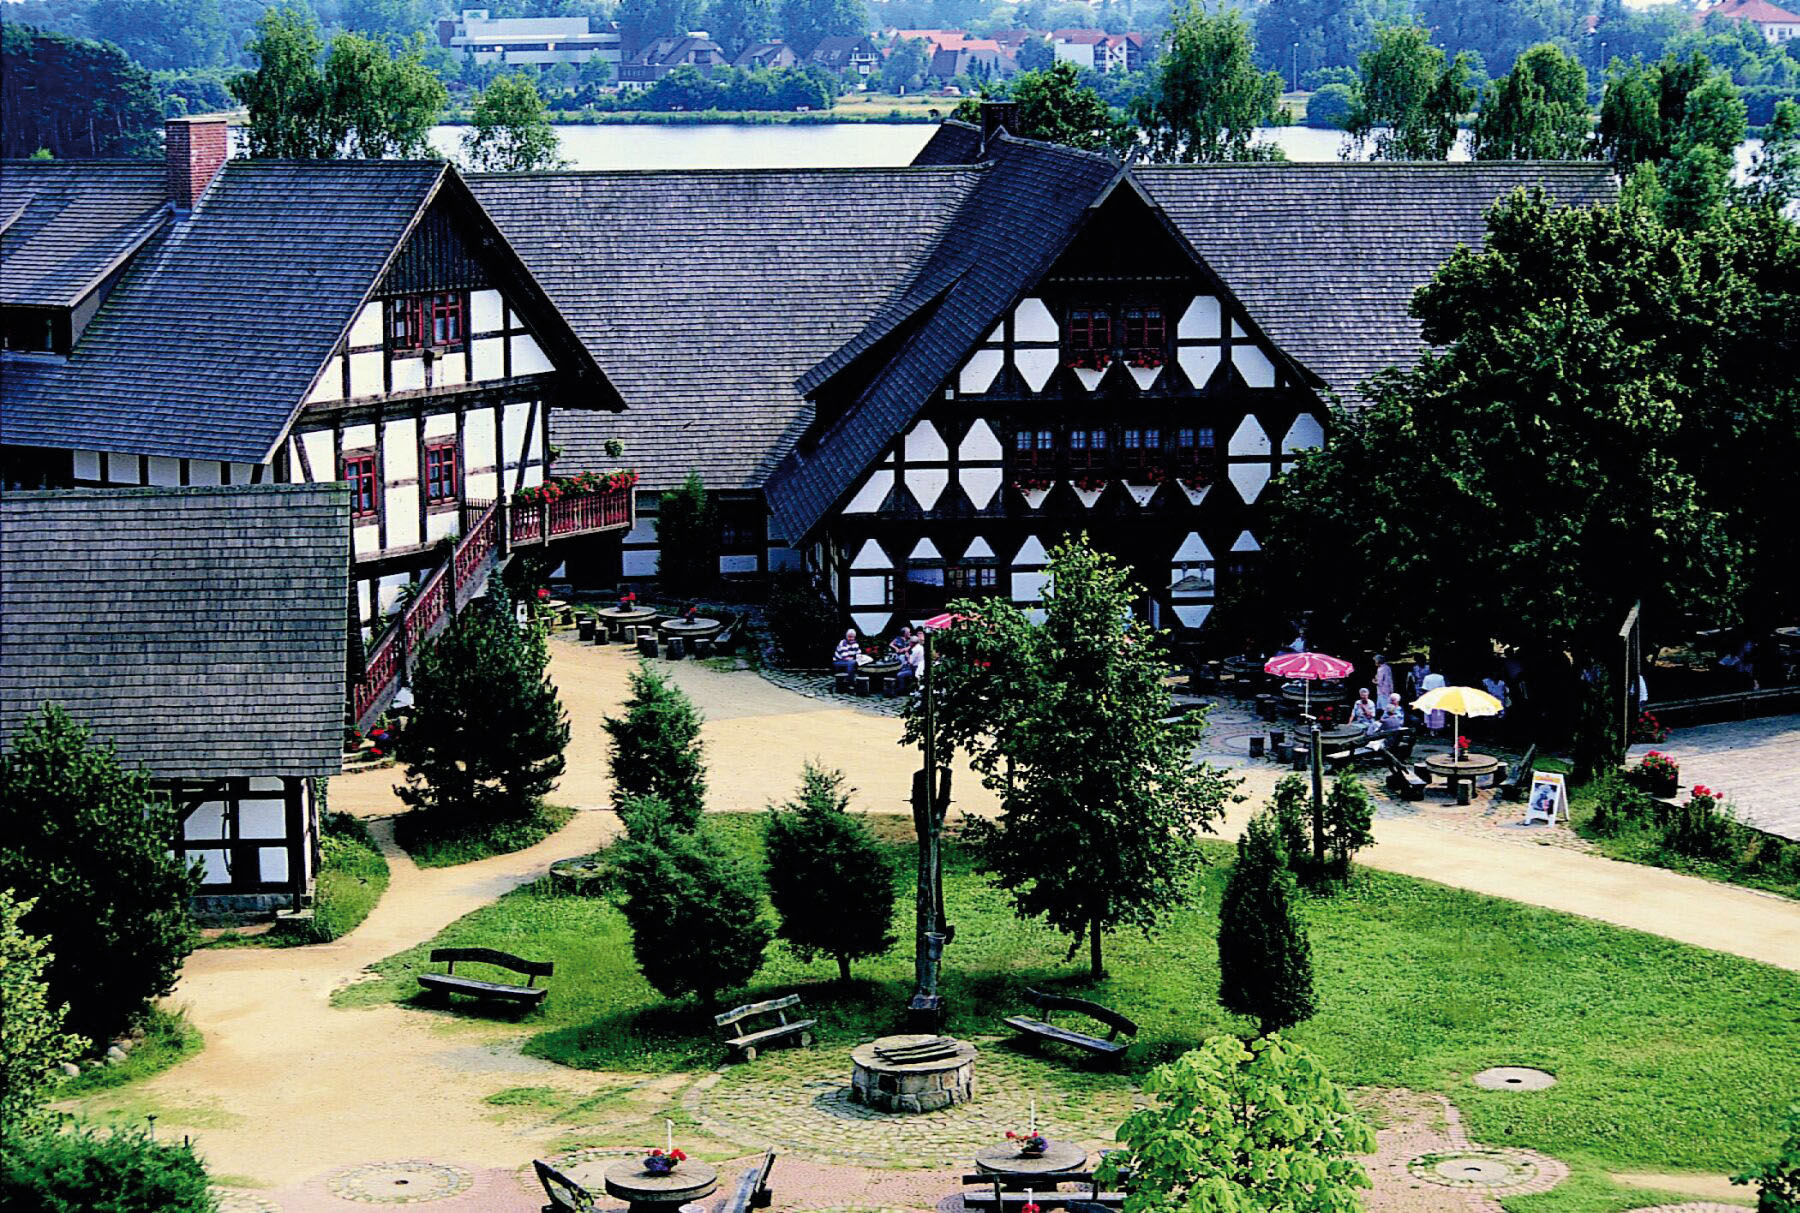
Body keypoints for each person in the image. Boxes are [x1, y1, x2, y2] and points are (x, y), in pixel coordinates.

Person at [1420, 666, 1447, 733]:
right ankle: (1437, 730)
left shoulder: (1427, 677)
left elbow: (1424, 688)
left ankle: (1431, 730)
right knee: (1438, 713)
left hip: (1429, 697)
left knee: (1430, 712)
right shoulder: (1441, 677)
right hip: (1438, 697)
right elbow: (1443, 688)